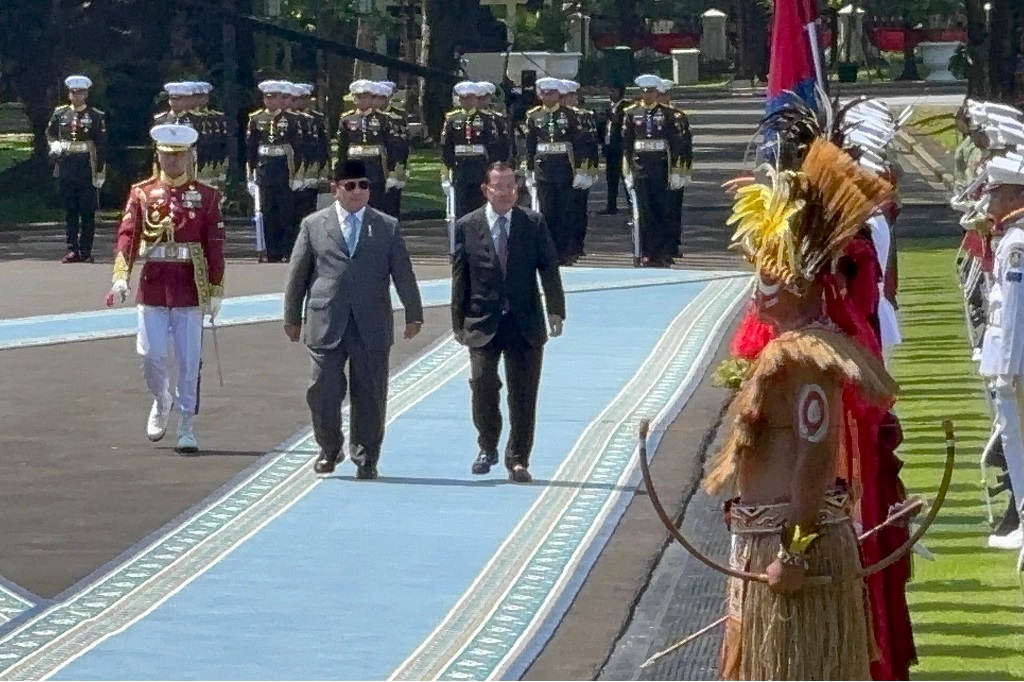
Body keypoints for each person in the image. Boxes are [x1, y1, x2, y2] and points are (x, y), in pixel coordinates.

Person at [705, 135, 898, 680]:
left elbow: (817, 455)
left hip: (790, 552)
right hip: (767, 543)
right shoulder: (790, 351)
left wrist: (794, 552)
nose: (755, 294)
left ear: (796, 282)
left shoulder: (807, 359)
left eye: (764, 279)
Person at [283, 159, 424, 480]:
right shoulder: (313, 225)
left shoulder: (386, 226)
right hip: (326, 320)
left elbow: (403, 272)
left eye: (364, 185)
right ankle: (329, 448)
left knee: (371, 394)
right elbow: (298, 275)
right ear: (335, 189)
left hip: (371, 322)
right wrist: (292, 315)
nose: (358, 191)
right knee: (322, 390)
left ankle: (366, 455)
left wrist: (413, 312)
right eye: (350, 186)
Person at [107, 123, 225, 454]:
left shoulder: (207, 196)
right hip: (155, 283)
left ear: (189, 157)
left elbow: (215, 245)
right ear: (158, 156)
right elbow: (128, 236)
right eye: (168, 156)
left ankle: (187, 422)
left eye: (180, 156)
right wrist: (121, 276)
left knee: (189, 360)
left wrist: (216, 289)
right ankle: (162, 398)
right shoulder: (142, 193)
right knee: (150, 353)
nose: (174, 162)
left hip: (190, 284)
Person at [451, 161, 566, 483]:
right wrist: (458, 323)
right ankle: (487, 445)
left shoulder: (533, 222)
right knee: (482, 384)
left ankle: (518, 459)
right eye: (499, 187)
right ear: (486, 190)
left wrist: (556, 309)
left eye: (511, 187)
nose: (505, 193)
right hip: (482, 322)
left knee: (523, 395)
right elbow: (460, 275)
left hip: (525, 322)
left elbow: (549, 268)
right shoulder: (467, 225)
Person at [978, 148, 1024, 573]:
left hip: (1018, 366)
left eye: (994, 192)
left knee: (1018, 441)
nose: (988, 201)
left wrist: (1008, 368)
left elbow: (1013, 313)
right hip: (1007, 361)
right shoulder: (1009, 238)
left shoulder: (1016, 244)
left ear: (1012, 195)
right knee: (1011, 441)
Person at [622, 74, 689, 267]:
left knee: (663, 211)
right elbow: (627, 145)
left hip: (662, 169)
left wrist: (677, 170)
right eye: (644, 91)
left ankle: (662, 251)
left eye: (651, 91)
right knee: (644, 212)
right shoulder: (631, 113)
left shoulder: (668, 114)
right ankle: (647, 252)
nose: (647, 95)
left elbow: (676, 144)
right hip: (640, 169)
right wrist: (627, 170)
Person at [46, 74, 107, 264]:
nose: (76, 96)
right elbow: (50, 133)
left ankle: (86, 250)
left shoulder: (96, 116)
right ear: (69, 94)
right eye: (73, 92)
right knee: (70, 210)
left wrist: (99, 171)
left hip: (86, 164)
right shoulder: (60, 113)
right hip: (66, 164)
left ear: (86, 94)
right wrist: (54, 145)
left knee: (87, 211)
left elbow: (101, 144)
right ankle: (72, 249)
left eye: (80, 93)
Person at [246, 79, 303, 262]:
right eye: (267, 98)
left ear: (280, 99)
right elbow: (252, 148)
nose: (269, 101)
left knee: (285, 212)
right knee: (267, 212)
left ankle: (286, 249)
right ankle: (271, 251)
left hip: (284, 169)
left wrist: (298, 174)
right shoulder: (256, 119)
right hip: (265, 170)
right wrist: (251, 172)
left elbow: (298, 148)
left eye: (274, 98)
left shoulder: (292, 120)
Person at [598, 83, 628, 215]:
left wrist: (610, 116)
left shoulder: (625, 107)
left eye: (613, 91)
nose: (611, 94)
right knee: (611, 179)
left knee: (626, 178)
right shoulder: (610, 107)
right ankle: (611, 205)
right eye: (610, 91)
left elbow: (619, 122)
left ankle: (632, 204)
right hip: (610, 149)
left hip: (621, 149)